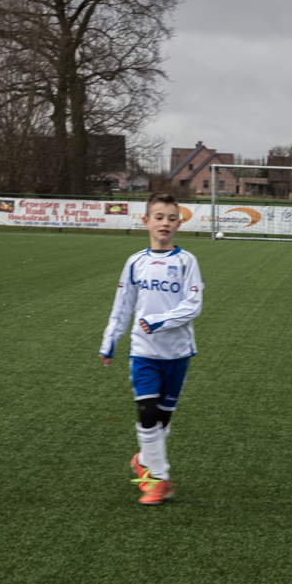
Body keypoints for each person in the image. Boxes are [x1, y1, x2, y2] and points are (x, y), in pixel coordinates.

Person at [99, 192, 204, 504]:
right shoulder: (135, 262)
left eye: (171, 218)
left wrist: (158, 321)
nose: (164, 223)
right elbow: (123, 305)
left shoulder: (186, 261)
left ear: (179, 224)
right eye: (158, 217)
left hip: (178, 353)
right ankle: (160, 479)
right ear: (146, 221)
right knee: (147, 413)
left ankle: (144, 459)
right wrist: (109, 341)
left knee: (163, 420)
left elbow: (193, 305)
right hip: (143, 351)